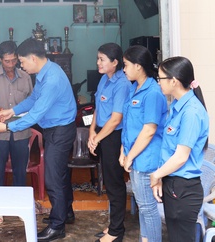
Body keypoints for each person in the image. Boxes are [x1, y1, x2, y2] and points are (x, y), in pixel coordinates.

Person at [0, 38, 77, 242]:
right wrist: (11, 110)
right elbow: (32, 100)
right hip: (55, 129)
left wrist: (8, 126)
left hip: (60, 131)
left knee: (53, 178)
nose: (20, 65)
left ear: (32, 58)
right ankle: (66, 213)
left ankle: (58, 227)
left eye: (22, 61)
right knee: (61, 174)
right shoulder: (44, 73)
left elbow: (36, 113)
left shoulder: (52, 79)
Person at [150, 56, 209, 242]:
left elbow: (181, 157)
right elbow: (168, 149)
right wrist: (161, 177)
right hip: (173, 183)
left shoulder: (191, 111)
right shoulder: (177, 105)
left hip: (183, 189)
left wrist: (156, 175)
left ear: (173, 81)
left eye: (160, 78)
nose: (158, 82)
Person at [0, 41, 33, 225]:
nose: (11, 64)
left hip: (20, 132)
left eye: (14, 61)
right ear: (0, 59)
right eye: (7, 61)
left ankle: (18, 207)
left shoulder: (26, 77)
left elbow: (32, 102)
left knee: (20, 171)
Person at [120, 45, 167, 242]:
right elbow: (129, 125)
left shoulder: (152, 93)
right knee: (143, 206)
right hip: (135, 156)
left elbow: (149, 130)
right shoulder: (134, 89)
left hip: (147, 158)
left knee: (148, 208)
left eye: (126, 65)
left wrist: (130, 156)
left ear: (138, 66)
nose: (123, 69)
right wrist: (123, 151)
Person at [88, 43, 131, 242]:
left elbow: (115, 119)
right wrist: (91, 131)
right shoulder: (104, 79)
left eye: (102, 59)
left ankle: (116, 231)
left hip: (113, 136)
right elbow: (98, 108)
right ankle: (114, 224)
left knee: (115, 183)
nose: (98, 62)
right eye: (98, 58)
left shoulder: (122, 83)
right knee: (109, 182)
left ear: (115, 62)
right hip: (101, 134)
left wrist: (97, 138)